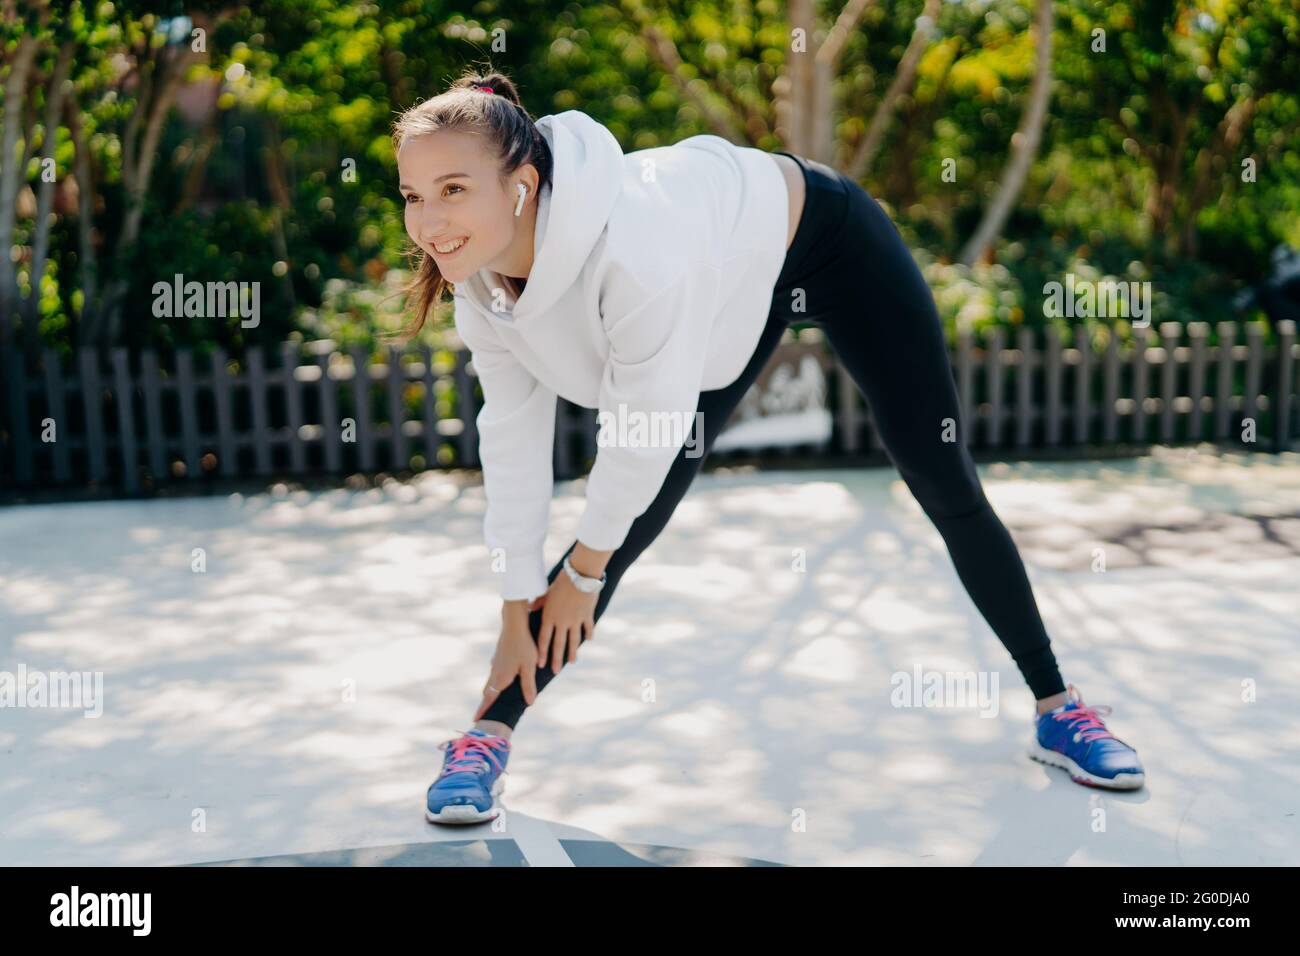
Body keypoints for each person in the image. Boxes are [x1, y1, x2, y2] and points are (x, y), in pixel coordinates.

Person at [394, 69, 1146, 825]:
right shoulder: (479, 277)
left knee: (941, 478)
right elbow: (513, 438)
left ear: (520, 185)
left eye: (453, 190)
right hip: (727, 294)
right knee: (632, 521)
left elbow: (640, 437)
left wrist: (582, 573)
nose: (428, 221)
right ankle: (487, 734)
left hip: (822, 236)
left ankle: (1059, 707)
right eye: (413, 196)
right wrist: (514, 600)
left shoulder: (635, 253)